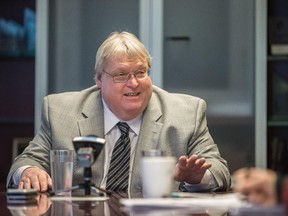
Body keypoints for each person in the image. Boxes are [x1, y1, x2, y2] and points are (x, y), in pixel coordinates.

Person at [6, 31, 231, 195]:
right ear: (99, 80)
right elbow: (27, 160)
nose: (133, 83)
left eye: (141, 72)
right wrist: (29, 171)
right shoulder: (60, 112)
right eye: (121, 75)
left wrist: (197, 178)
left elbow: (220, 170)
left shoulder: (186, 114)